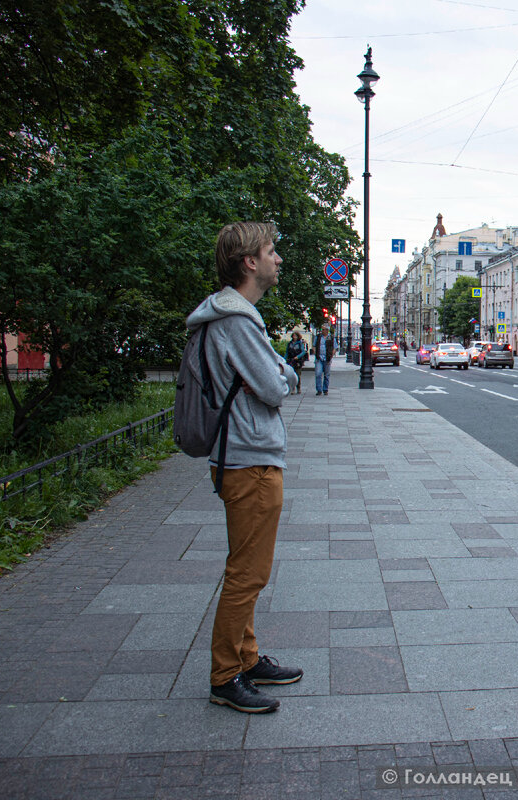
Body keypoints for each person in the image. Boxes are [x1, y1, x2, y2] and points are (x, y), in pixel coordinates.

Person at [185, 221, 302, 714]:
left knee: (248, 570)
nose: (278, 259)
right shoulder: (237, 321)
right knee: (247, 575)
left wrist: (278, 372)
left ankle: (247, 658)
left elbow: (279, 374)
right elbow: (278, 386)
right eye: (271, 252)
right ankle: (225, 676)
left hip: (244, 458)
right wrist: (279, 374)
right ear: (249, 262)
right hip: (249, 462)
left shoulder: (238, 318)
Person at [313, 323, 333, 394]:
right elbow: (314, 346)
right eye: (322, 329)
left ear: (327, 330)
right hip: (319, 358)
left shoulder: (331, 337)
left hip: (327, 358)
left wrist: (331, 356)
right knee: (318, 373)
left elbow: (334, 348)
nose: (322, 331)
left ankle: (325, 389)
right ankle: (319, 389)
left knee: (326, 374)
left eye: (324, 329)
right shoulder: (318, 337)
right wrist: (315, 353)